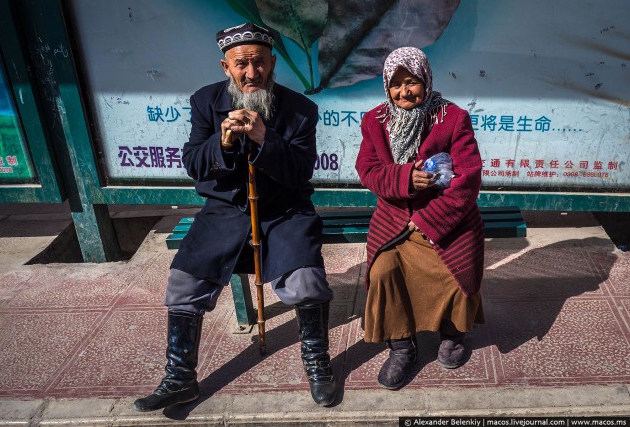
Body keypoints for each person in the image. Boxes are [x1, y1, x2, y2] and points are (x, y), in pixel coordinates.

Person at [134, 22, 337, 411]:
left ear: (273, 63)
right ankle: (180, 378)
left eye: (259, 63)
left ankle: (317, 364)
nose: (251, 73)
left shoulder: (300, 109)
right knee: (184, 282)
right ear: (225, 67)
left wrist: (265, 137)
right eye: (241, 64)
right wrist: (222, 141)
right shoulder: (205, 102)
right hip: (224, 212)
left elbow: (300, 171)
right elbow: (194, 164)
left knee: (306, 280)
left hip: (284, 212)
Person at [355, 47, 485, 390]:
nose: (404, 91)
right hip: (396, 219)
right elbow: (368, 171)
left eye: (411, 82)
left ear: (425, 81)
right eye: (396, 84)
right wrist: (404, 179)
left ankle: (452, 334)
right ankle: (401, 345)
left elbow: (467, 180)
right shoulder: (375, 121)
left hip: (449, 219)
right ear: (387, 86)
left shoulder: (452, 118)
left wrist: (430, 220)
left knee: (457, 271)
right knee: (383, 271)